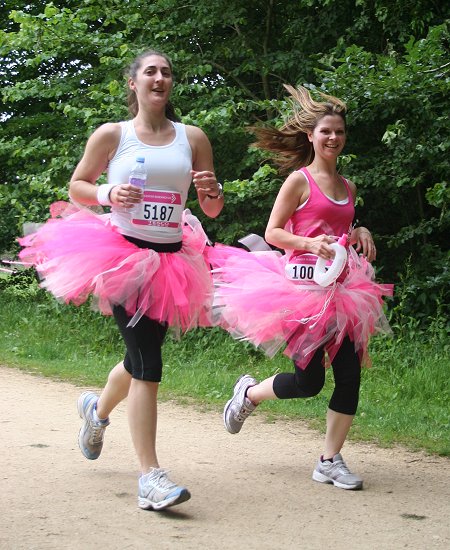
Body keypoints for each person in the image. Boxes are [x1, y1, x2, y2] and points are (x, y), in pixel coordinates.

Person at [19, 49, 224, 510]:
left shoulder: (192, 138)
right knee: (148, 363)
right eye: (150, 71)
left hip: (174, 260)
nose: (159, 78)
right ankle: (150, 476)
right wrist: (109, 192)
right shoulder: (114, 134)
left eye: (167, 72)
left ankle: (97, 410)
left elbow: (211, 207)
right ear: (133, 83)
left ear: (172, 84)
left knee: (138, 360)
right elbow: (78, 185)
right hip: (123, 257)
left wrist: (211, 193)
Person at [210, 85, 392, 490]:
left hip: (343, 293)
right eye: (325, 131)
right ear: (311, 136)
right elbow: (273, 232)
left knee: (349, 376)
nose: (333, 138)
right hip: (300, 292)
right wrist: (309, 243)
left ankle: (329, 460)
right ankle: (249, 395)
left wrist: (359, 229)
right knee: (308, 383)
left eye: (339, 132)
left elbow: (342, 226)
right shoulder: (299, 180)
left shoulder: (349, 186)